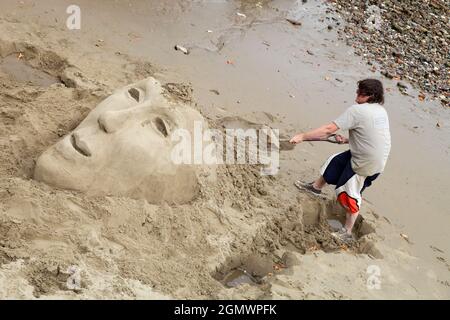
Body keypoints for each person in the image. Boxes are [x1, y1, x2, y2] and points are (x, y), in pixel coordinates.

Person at [289, 79, 391, 242]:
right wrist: (349, 141)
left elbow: (328, 129)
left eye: (361, 92)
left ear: (371, 95)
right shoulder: (380, 111)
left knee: (347, 193)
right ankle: (315, 188)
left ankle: (347, 232)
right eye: (358, 90)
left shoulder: (357, 111)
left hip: (366, 163)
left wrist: (302, 136)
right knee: (335, 161)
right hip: (373, 157)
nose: (357, 94)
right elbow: (373, 137)